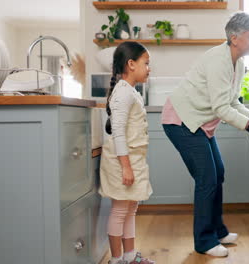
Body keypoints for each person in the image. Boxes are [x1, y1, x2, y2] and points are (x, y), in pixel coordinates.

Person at [161, 12, 249, 257]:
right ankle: (204, 241)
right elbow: (221, 108)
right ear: (235, 38)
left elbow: (232, 101)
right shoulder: (218, 60)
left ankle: (218, 231)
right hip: (181, 121)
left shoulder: (238, 62)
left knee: (217, 173)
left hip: (200, 124)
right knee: (207, 179)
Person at [99, 41, 155, 264]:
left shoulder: (130, 92)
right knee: (121, 210)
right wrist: (126, 166)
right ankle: (116, 260)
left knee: (131, 208)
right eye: (146, 63)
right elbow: (119, 134)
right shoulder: (123, 94)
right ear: (131, 64)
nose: (149, 68)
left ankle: (130, 257)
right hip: (123, 161)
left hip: (132, 159)